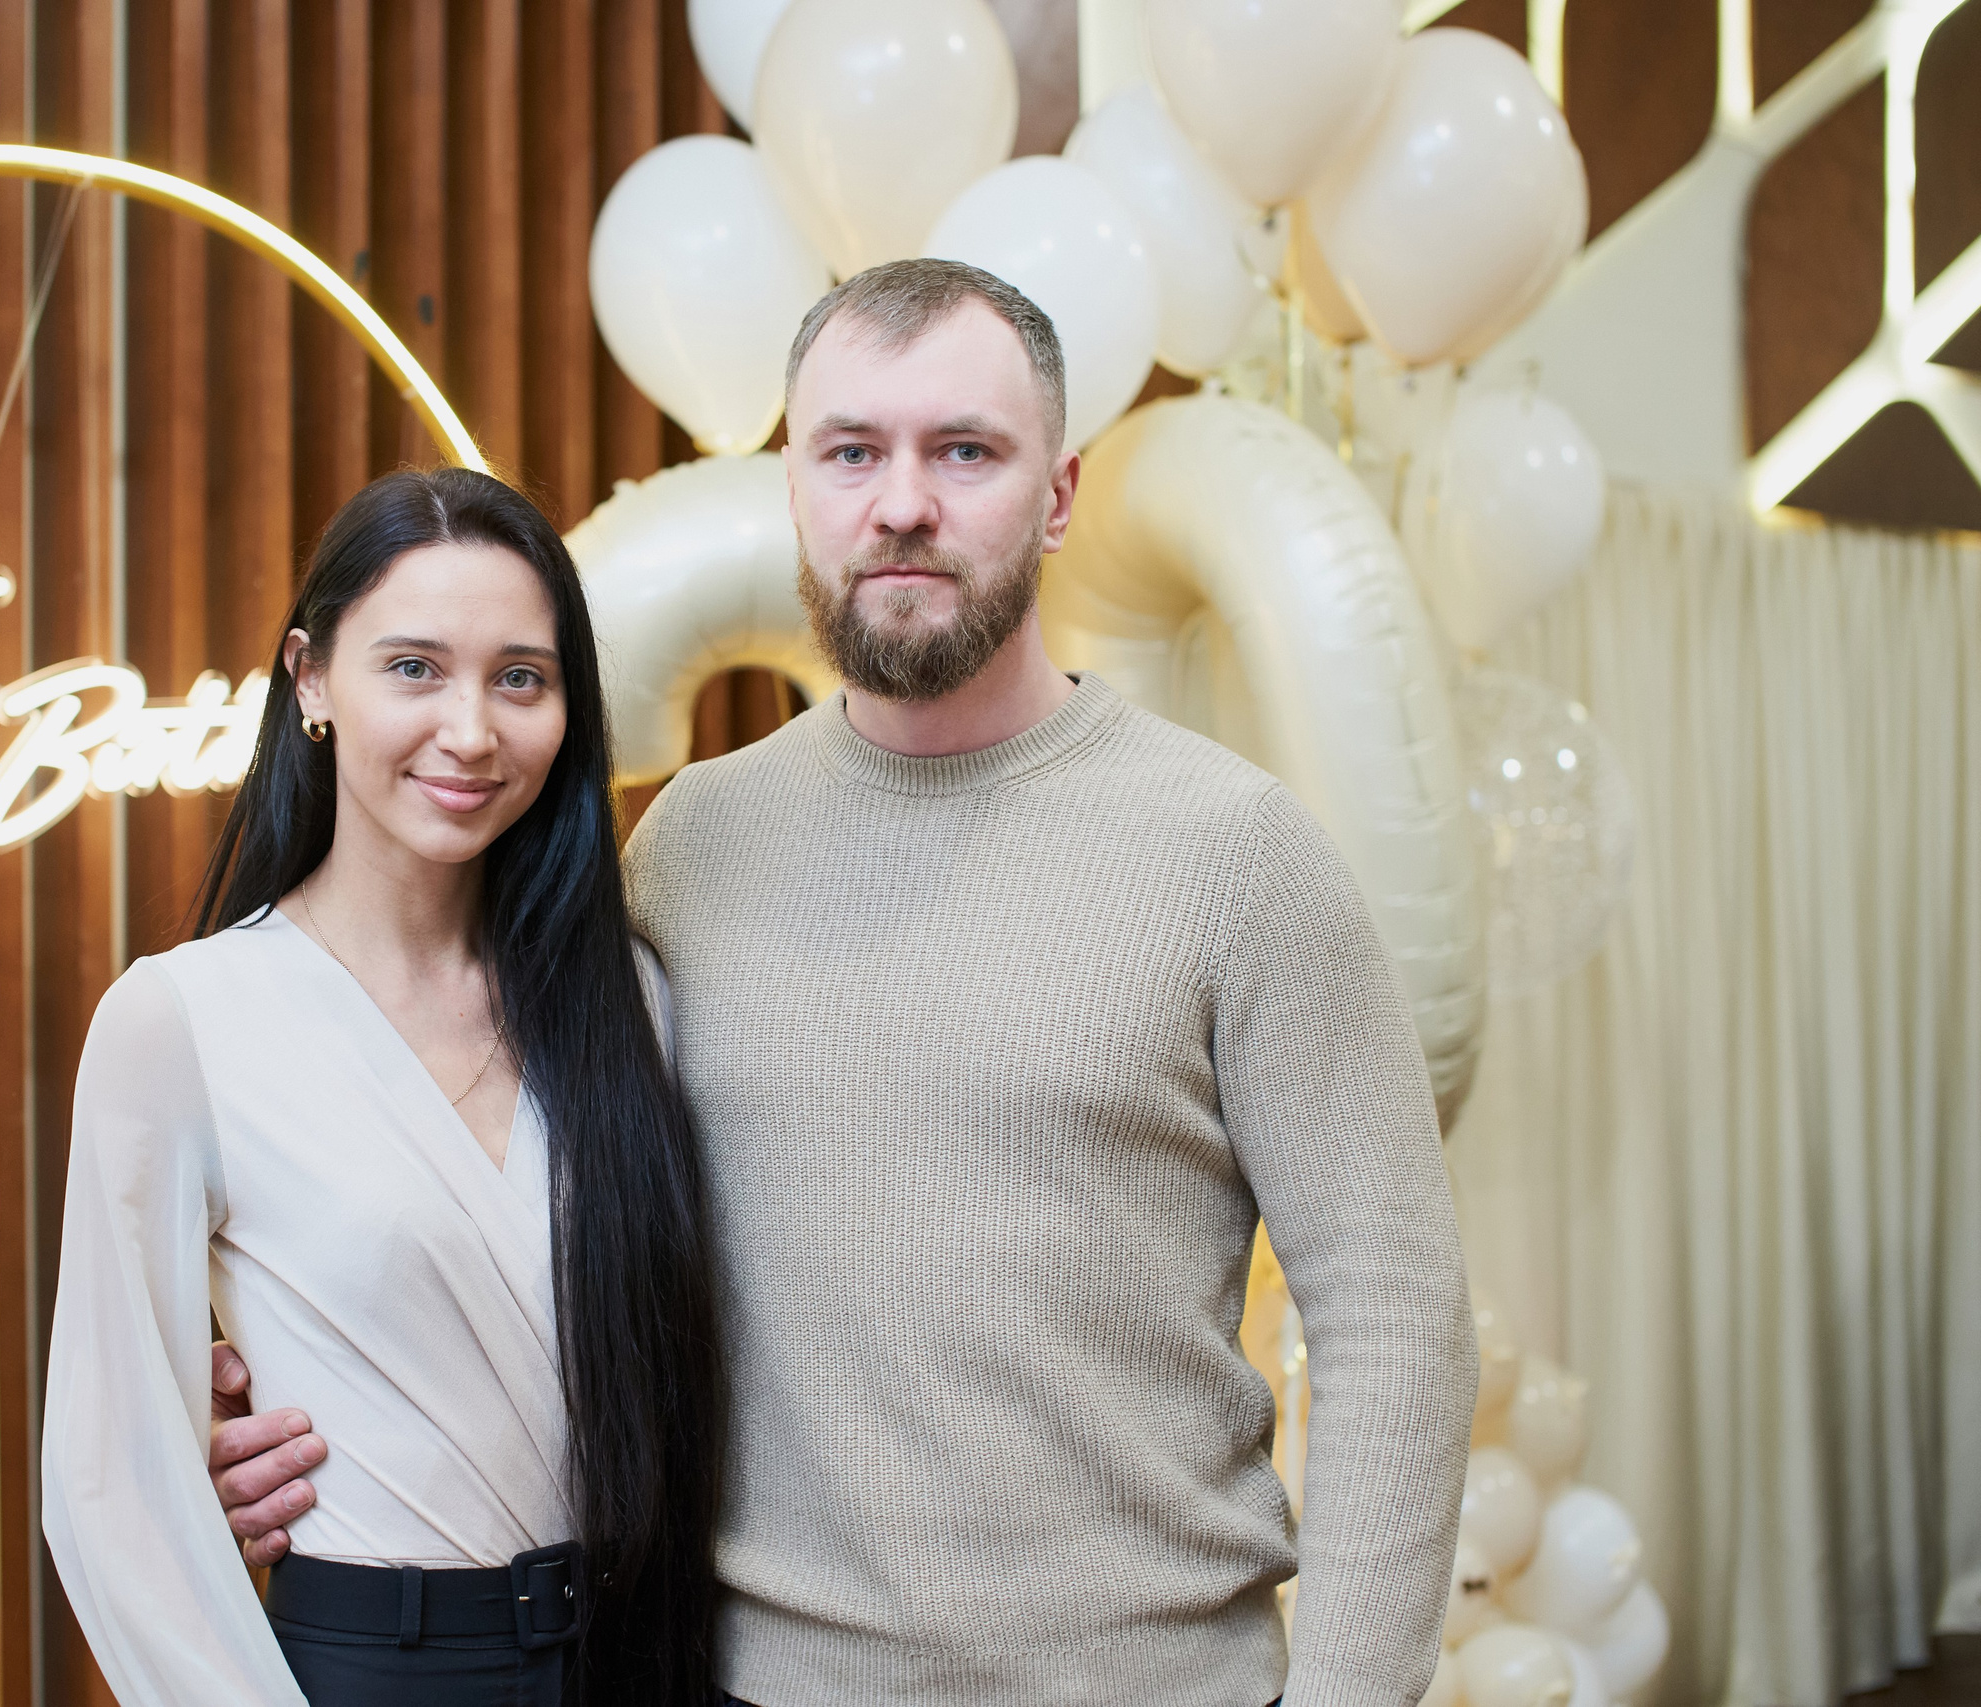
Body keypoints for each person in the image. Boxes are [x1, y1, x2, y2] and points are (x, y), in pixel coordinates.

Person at [210, 260, 1478, 1707]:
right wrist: (273, 1384)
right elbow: (516, 1198)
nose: (904, 504)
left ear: (1058, 495)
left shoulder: (1236, 853)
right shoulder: (691, 841)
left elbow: (1393, 1311)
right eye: (853, 451)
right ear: (798, 489)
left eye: (966, 452)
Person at [43, 468, 725, 1707]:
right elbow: (114, 1483)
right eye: (413, 667)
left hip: (638, 1656)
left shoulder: (631, 999)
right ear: (310, 678)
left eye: (520, 677)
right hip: (373, 1668)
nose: (470, 730)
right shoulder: (181, 1019)